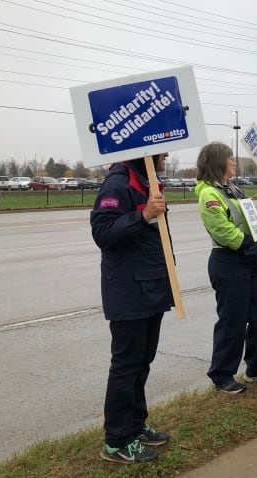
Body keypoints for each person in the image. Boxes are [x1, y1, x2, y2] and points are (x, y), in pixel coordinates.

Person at [91, 153, 173, 463]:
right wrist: (142, 216)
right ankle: (116, 440)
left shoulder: (146, 181)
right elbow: (103, 232)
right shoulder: (118, 182)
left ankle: (136, 426)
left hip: (150, 288)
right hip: (129, 291)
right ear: (144, 153)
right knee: (126, 366)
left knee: (142, 362)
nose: (165, 153)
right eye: (160, 150)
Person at [194, 142, 257, 395]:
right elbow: (221, 229)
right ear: (218, 162)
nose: (234, 162)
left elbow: (249, 217)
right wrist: (246, 243)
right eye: (230, 158)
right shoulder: (209, 194)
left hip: (249, 260)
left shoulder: (232, 188)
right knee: (233, 320)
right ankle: (222, 374)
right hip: (229, 261)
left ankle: (256, 367)